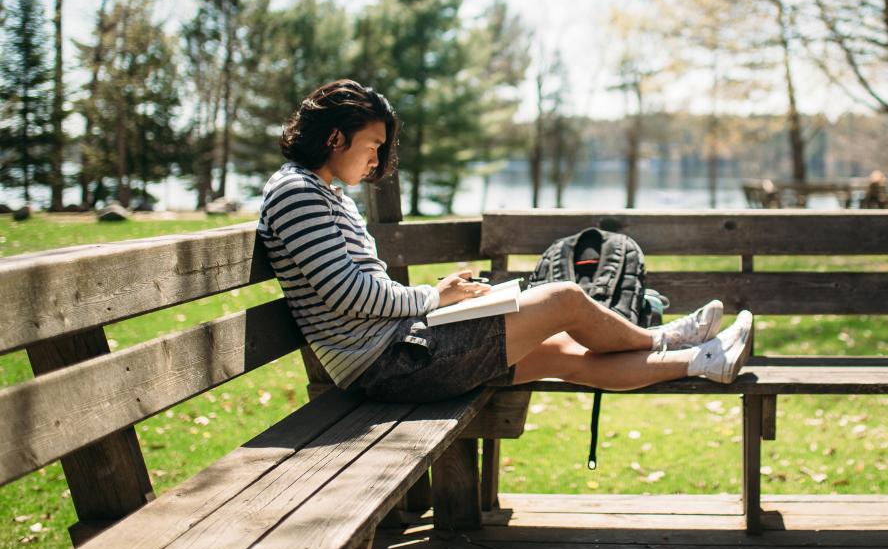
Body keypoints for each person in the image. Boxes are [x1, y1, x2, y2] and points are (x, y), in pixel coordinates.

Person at [256, 79, 754, 405]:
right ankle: (669, 337)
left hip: (398, 352)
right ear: (335, 138)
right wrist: (436, 297)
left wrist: (442, 302)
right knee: (563, 298)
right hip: (389, 365)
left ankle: (702, 361)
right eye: (372, 146)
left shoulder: (325, 196)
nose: (376, 161)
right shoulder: (298, 194)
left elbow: (358, 290)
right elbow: (349, 296)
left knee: (561, 351)